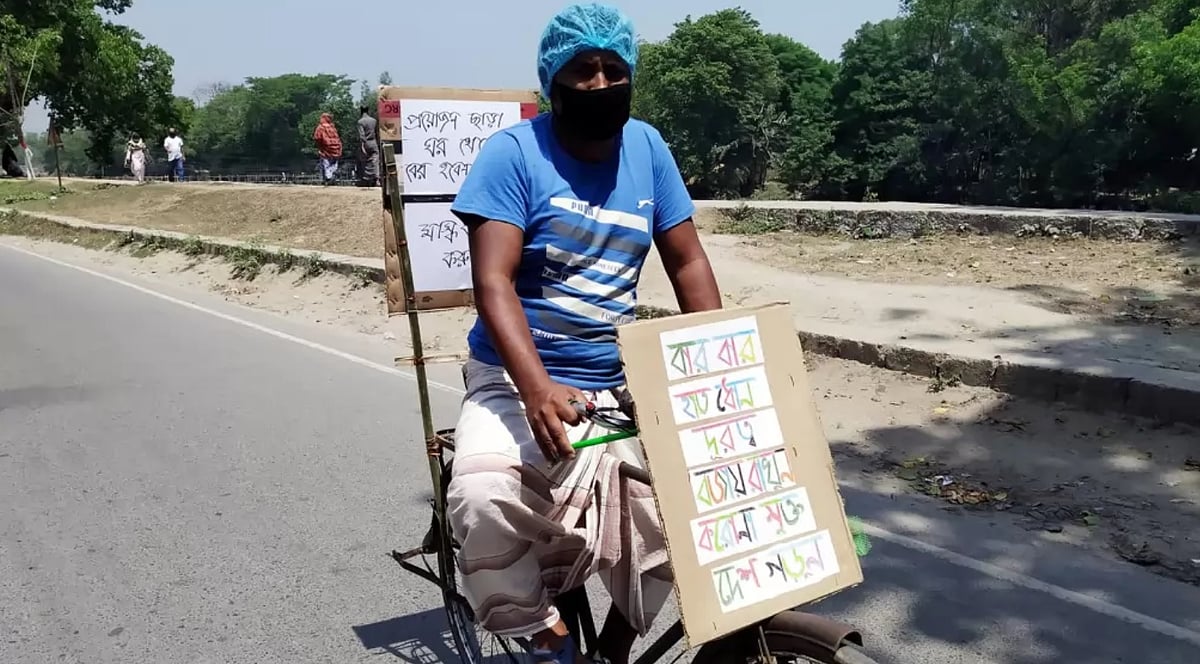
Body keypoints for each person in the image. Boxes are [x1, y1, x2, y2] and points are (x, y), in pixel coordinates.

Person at [445, 4, 723, 664]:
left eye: (613, 70)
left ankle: (614, 649)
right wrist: (537, 387)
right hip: (518, 374)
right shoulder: (513, 154)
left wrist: (722, 364)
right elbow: (493, 282)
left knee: (693, 510)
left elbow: (688, 261)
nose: (600, 84)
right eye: (583, 70)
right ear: (554, 81)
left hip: (615, 378)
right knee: (480, 496)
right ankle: (550, 639)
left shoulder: (648, 149)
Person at [313, 113, 342, 185]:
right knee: (333, 164)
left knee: (325, 163)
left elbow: (317, 137)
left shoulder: (321, 127)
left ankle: (328, 177)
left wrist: (320, 146)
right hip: (336, 149)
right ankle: (332, 174)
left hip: (326, 149)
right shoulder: (333, 127)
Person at [356, 105, 379, 187]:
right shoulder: (374, 121)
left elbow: (362, 135)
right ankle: (376, 178)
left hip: (366, 143)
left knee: (364, 161)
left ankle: (366, 179)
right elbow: (377, 132)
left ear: (361, 111)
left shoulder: (360, 122)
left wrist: (362, 145)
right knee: (375, 160)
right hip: (373, 141)